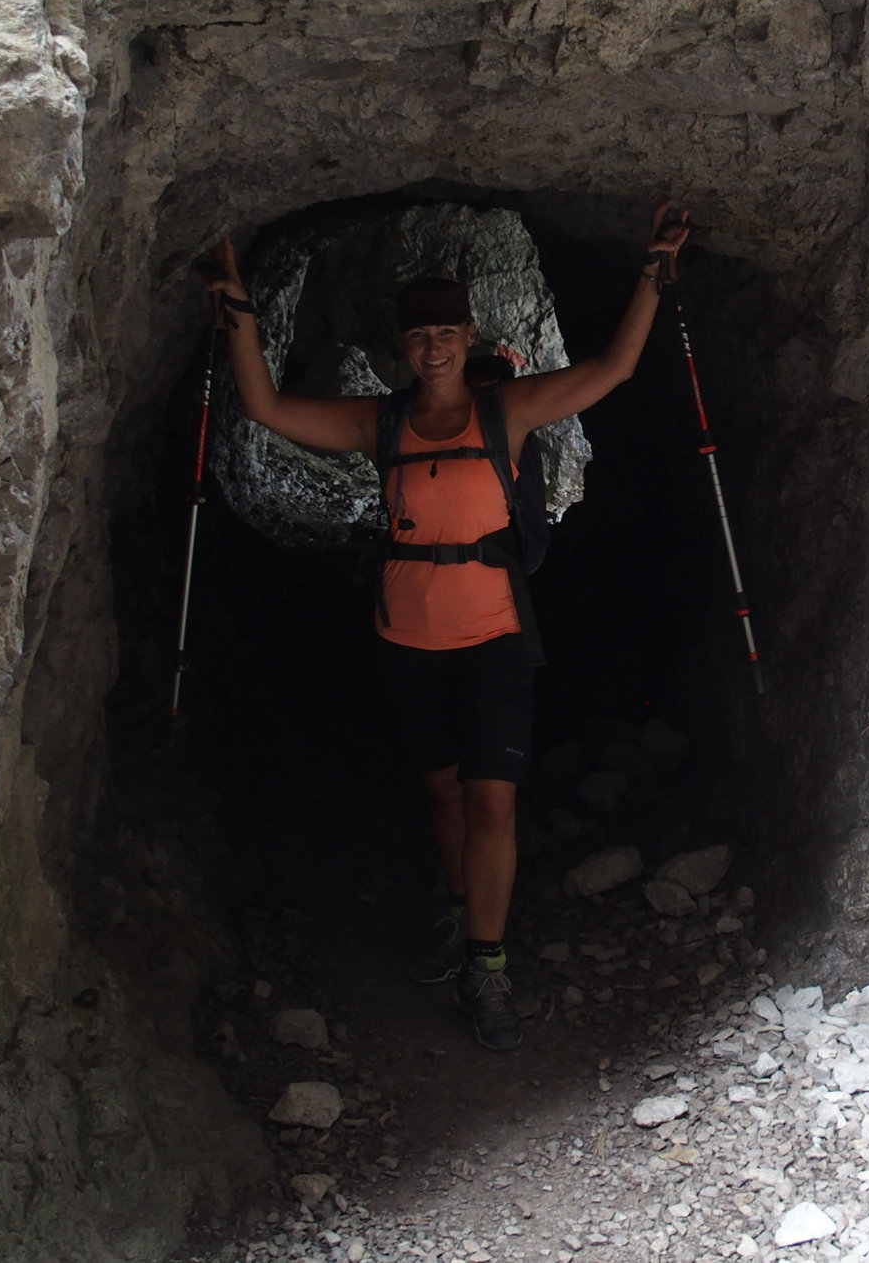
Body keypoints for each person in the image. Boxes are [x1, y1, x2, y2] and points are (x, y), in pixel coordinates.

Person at [200, 204, 691, 1050]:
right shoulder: (380, 423)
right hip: (409, 642)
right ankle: (462, 912)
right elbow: (266, 406)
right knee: (443, 792)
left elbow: (614, 368)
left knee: (491, 802)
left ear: (468, 336)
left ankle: (487, 966)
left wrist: (654, 270)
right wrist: (239, 310)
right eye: (420, 334)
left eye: (446, 332)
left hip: (493, 638)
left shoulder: (509, 411)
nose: (433, 347)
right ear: (405, 345)